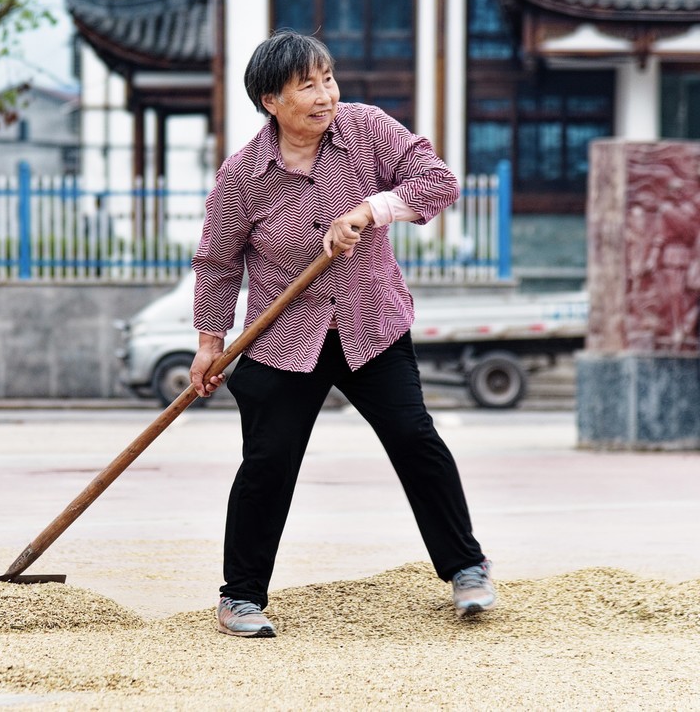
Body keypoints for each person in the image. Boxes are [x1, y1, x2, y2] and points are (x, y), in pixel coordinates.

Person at [190, 31, 496, 639]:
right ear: (271, 100)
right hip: (284, 340)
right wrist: (209, 342)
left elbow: (439, 183)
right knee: (268, 462)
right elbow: (219, 262)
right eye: (308, 85)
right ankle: (241, 597)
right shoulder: (243, 176)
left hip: (370, 324)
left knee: (414, 438)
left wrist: (371, 210)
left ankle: (466, 566)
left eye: (328, 79)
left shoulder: (366, 131)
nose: (325, 95)